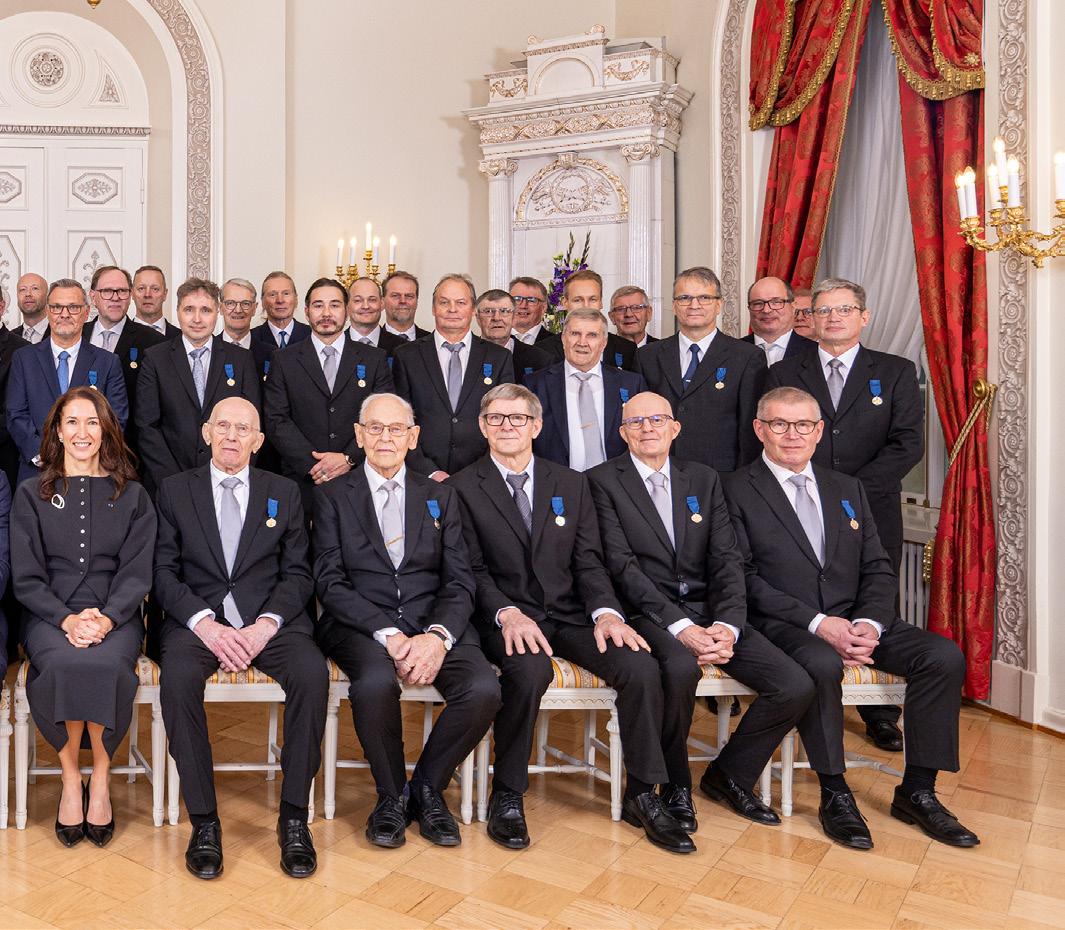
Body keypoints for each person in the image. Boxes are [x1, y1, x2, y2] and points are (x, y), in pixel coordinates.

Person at [722, 386, 978, 850]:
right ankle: (834, 792)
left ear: (819, 431)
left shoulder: (847, 488)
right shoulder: (733, 489)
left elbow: (877, 566)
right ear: (760, 430)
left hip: (858, 619)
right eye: (780, 424)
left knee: (942, 656)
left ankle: (918, 791)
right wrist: (819, 624)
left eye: (804, 425)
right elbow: (743, 578)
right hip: (787, 624)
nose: (793, 434)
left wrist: (870, 624)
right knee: (821, 664)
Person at [450, 384, 694, 854]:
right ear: (482, 426)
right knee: (529, 672)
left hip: (570, 615)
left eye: (518, 418)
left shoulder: (570, 483)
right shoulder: (460, 488)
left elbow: (588, 561)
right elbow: (469, 570)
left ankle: (643, 792)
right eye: (496, 418)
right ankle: (507, 794)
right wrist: (507, 613)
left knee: (640, 666)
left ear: (537, 426)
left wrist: (607, 614)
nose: (507, 426)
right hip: (506, 619)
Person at [588, 391, 816, 827]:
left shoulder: (704, 478)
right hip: (648, 613)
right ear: (623, 433)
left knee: (793, 684)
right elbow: (621, 567)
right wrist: (680, 627)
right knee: (678, 669)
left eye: (658, 419)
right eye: (636, 422)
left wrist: (728, 625)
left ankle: (729, 775)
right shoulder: (600, 481)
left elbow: (727, 558)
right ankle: (675, 784)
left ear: (675, 428)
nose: (648, 428)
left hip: (711, 612)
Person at [314, 393, 500, 848]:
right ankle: (391, 794)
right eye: (375, 428)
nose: (385, 437)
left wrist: (436, 637)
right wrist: (388, 634)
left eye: (396, 429)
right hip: (361, 625)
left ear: (413, 437)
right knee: (374, 684)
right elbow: (330, 582)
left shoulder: (441, 496)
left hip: (434, 622)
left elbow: (460, 580)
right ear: (358, 436)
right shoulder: (332, 496)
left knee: (483, 689)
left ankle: (428, 787)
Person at [153, 397, 328, 880]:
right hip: (198, 623)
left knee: (312, 674)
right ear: (207, 432)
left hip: (267, 623)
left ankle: (294, 819)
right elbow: (162, 572)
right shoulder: (174, 490)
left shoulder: (284, 492)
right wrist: (205, 624)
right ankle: (204, 822)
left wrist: (265, 624)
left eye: (243, 428)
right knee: (177, 681)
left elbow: (299, 573)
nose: (232, 436)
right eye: (223, 426)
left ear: (258, 440)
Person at [765, 277, 923, 751]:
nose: (833, 318)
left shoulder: (895, 371)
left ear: (863, 316)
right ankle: (809, 699)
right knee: (803, 593)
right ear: (810, 318)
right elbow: (774, 437)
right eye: (824, 310)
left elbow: (907, 443)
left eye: (844, 309)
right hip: (796, 505)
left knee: (876, 598)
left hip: (872, 508)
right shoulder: (784, 371)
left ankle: (880, 714)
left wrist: (847, 492)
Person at [12, 387, 155, 848]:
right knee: (63, 663)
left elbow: (137, 572)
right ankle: (72, 776)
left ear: (106, 430)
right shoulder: (31, 494)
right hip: (49, 616)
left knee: (107, 665)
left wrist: (107, 619)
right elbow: (26, 577)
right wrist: (67, 620)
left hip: (117, 615)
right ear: (57, 431)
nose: (82, 432)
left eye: (92, 422)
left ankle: (102, 775)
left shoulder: (133, 495)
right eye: (71, 422)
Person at [263, 278, 393, 514]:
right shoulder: (283, 360)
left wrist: (348, 458)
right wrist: (314, 465)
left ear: (346, 310)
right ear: (306, 311)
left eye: (334, 305)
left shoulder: (374, 359)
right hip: (302, 481)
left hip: (360, 479)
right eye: (318, 305)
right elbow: (276, 419)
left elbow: (383, 418)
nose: (326, 313)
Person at [135, 277, 261, 492]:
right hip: (168, 482)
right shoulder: (155, 358)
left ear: (218, 312)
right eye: (189, 310)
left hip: (227, 480)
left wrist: (232, 471)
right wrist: (174, 482)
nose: (197, 319)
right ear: (177, 311)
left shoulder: (241, 359)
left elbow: (252, 423)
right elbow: (147, 427)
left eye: (205, 310)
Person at [638, 266, 766, 473]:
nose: (694, 305)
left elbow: (749, 430)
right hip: (659, 471)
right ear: (674, 305)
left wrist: (742, 479)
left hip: (721, 476)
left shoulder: (747, 357)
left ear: (719, 305)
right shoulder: (647, 356)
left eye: (705, 298)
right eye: (685, 298)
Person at [7, 279, 128, 485]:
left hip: (92, 472)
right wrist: (44, 454)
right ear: (48, 311)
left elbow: (116, 419)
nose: (64, 314)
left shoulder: (108, 362)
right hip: (37, 472)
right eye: (57, 307)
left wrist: (82, 456)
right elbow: (15, 414)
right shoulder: (23, 358)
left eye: (73, 307)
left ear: (86, 312)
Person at [392, 274, 514, 480]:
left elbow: (505, 421)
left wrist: (480, 471)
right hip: (422, 477)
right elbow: (399, 422)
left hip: (483, 476)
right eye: (444, 302)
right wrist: (429, 471)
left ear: (473, 309)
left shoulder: (498, 358)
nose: (452, 309)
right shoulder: (406, 356)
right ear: (433, 308)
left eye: (461, 303)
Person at [525, 307, 646, 470]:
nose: (582, 342)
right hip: (556, 480)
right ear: (563, 338)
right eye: (575, 334)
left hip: (617, 481)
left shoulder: (631, 384)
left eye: (592, 335)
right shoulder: (534, 385)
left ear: (604, 343)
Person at [84, 266, 168, 456]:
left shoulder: (153, 342)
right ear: (93, 296)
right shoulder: (77, 334)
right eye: (107, 291)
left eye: (122, 291)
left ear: (130, 296)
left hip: (131, 452)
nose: (115, 297)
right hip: (78, 446)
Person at [537, 271, 640, 373]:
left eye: (592, 299)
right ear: (565, 303)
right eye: (578, 300)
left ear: (601, 302)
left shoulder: (627, 349)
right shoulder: (542, 351)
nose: (586, 306)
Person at [474, 289, 553, 384]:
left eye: (504, 311)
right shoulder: (466, 355)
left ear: (514, 317)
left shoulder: (540, 359)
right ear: (477, 318)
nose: (496, 318)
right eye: (488, 311)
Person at [741, 277, 816, 365]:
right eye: (758, 303)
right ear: (749, 309)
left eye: (776, 302)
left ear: (793, 307)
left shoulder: (817, 353)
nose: (766, 310)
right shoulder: (731, 351)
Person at [219, 278, 275, 378]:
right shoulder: (208, 351)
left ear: (254, 308)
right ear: (220, 308)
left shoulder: (272, 354)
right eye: (230, 303)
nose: (238, 310)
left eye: (245, 303)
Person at [347, 277, 408, 353]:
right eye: (358, 300)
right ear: (347, 306)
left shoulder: (403, 348)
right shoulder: (335, 343)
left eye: (372, 300)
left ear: (382, 304)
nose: (366, 306)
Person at [251, 272, 310, 349]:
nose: (280, 300)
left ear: (296, 299)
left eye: (286, 293)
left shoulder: (312, 335)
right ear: (263, 301)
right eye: (272, 294)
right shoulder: (251, 339)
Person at [132, 266, 179, 337]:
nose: (147, 294)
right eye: (141, 288)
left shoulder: (182, 337)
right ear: (132, 293)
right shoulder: (119, 337)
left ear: (165, 294)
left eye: (155, 289)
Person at [381, 271, 429, 341]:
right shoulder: (372, 343)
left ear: (417, 301)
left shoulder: (432, 342)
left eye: (409, 296)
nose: (403, 301)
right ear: (382, 301)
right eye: (395, 296)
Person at [508, 276, 550, 345]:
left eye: (531, 300)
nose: (523, 306)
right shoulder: (492, 341)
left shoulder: (561, 344)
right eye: (517, 299)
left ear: (544, 307)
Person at [14, 273, 49, 344]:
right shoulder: (9, 339)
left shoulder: (61, 334)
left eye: (35, 288)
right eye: (22, 289)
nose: (28, 294)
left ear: (47, 296)